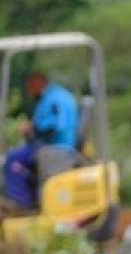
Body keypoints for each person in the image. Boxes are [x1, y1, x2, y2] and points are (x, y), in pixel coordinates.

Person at [3, 72, 79, 209]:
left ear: (38, 83)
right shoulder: (52, 96)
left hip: (57, 146)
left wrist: (33, 128)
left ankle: (19, 203)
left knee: (13, 159)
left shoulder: (55, 99)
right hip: (52, 144)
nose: (29, 91)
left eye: (30, 87)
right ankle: (29, 200)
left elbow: (56, 126)